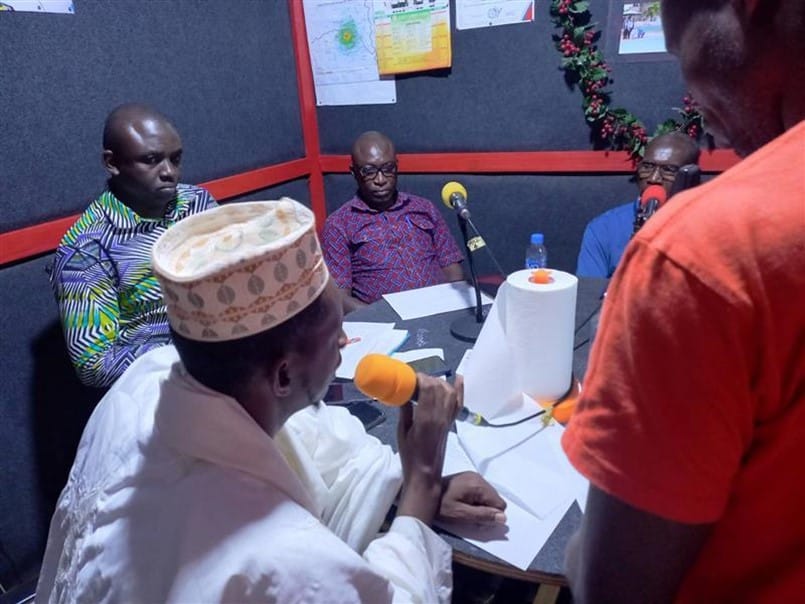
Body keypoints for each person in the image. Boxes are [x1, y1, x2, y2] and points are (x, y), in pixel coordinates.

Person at [36, 199, 507, 603]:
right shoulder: (277, 560)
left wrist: (402, 483)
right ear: (283, 374)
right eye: (333, 332)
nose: (346, 339)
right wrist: (423, 483)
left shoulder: (149, 376)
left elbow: (311, 442)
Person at [562, 1, 805, 602]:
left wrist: (578, 549)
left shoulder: (699, 253)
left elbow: (608, 588)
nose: (690, 98)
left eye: (679, 50)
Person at [50, 103, 217, 388]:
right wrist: (195, 352)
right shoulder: (87, 248)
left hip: (228, 365)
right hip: (153, 389)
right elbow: (95, 364)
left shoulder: (197, 203)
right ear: (111, 163)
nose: (170, 173)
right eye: (151, 160)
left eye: (175, 160)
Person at [322, 131, 465, 312]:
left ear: (396, 167)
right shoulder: (338, 224)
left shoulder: (424, 208)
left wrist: (451, 304)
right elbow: (340, 298)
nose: (380, 180)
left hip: (439, 312)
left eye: (388, 168)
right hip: (384, 327)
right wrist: (385, 318)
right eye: (369, 171)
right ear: (354, 173)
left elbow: (451, 266)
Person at [575, 131, 700, 278]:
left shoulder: (708, 228)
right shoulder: (603, 227)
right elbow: (590, 293)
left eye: (669, 170)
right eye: (647, 166)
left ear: (690, 177)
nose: (654, 178)